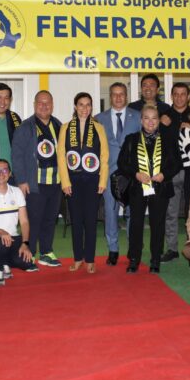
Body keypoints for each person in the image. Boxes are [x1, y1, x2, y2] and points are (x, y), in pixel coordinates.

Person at [117, 104, 179, 273]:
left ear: (159, 120)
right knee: (136, 224)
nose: (150, 122)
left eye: (154, 118)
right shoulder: (131, 139)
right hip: (137, 188)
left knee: (157, 225)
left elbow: (176, 163)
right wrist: (136, 174)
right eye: (146, 118)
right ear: (141, 120)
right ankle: (134, 259)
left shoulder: (168, 139)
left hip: (160, 188)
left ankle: (155, 259)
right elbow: (122, 163)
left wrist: (164, 174)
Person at [57, 92, 109, 274]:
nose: (84, 108)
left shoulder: (99, 128)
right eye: (81, 104)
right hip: (73, 180)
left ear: (91, 107)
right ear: (75, 106)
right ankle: (78, 258)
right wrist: (65, 182)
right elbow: (61, 157)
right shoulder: (65, 128)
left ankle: (90, 259)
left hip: (93, 180)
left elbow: (104, 156)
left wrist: (103, 180)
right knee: (76, 220)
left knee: (90, 221)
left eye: (88, 105)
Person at [11, 90, 63, 267]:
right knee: (33, 220)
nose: (44, 106)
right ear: (34, 105)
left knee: (50, 219)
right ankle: (29, 254)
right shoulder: (25, 127)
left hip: (56, 182)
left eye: (47, 102)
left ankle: (46, 252)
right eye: (40, 102)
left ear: (52, 105)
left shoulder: (58, 125)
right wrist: (21, 180)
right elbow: (16, 155)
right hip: (34, 184)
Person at [95, 82, 141, 265]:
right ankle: (113, 249)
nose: (118, 97)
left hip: (132, 173)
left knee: (132, 212)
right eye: (114, 94)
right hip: (109, 173)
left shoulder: (138, 117)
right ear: (110, 96)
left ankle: (132, 248)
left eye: (121, 94)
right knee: (110, 212)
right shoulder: (99, 119)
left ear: (126, 96)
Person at [159, 82, 190, 263]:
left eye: (183, 94)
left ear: (188, 96)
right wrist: (163, 125)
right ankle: (172, 249)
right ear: (171, 96)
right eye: (176, 94)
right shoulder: (164, 116)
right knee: (170, 212)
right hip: (170, 171)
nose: (179, 97)